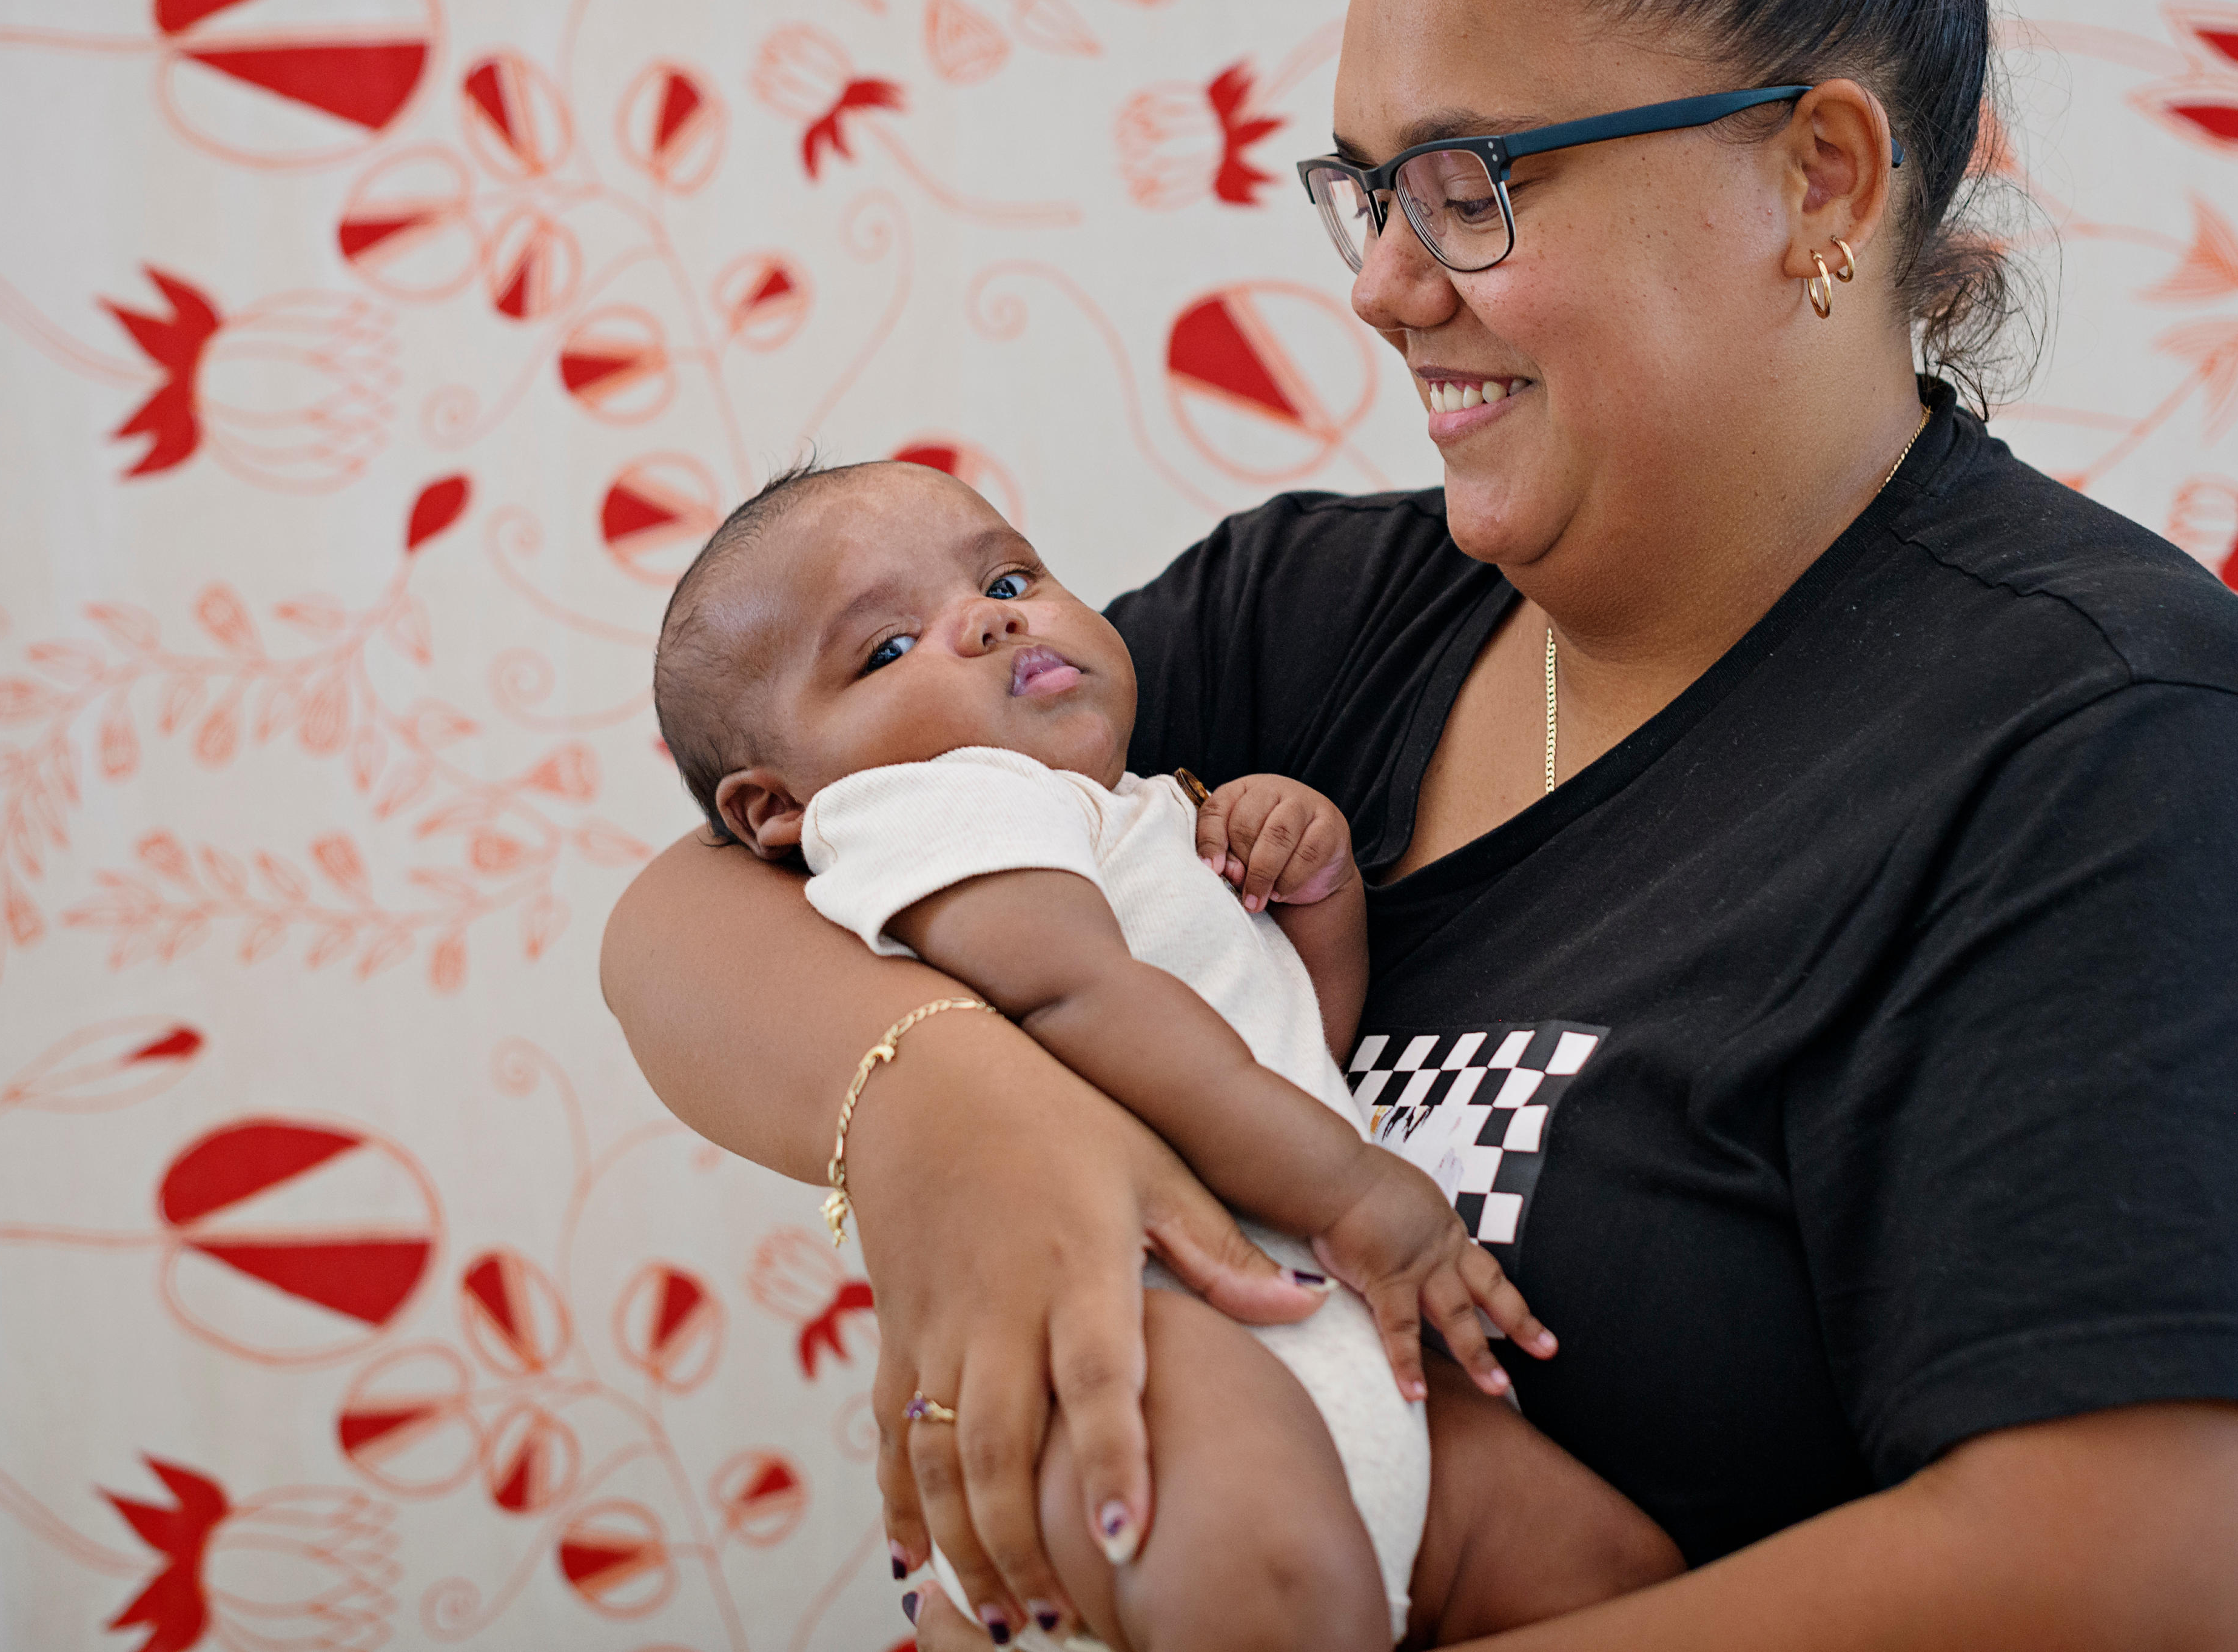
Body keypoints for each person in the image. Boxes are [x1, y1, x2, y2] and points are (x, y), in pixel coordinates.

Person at [602, 0, 2238, 1646]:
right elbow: (698, 911)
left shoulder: (2126, 756)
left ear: (1816, 180)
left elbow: (2149, 1586)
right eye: (1366, 188)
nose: (1386, 283)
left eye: (1473, 181)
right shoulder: (1313, 617)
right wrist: (951, 1106)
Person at [647, 457, 1681, 1644]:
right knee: (1270, 1588)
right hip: (1142, 1328)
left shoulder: (1127, 808)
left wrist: (1312, 890)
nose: (990, 617)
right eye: (887, 648)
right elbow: (1080, 998)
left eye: (1007, 573)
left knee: (1611, 1572)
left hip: (1295, 1324)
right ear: (775, 807)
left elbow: (1286, 1044)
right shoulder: (926, 808)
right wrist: (1346, 1185)